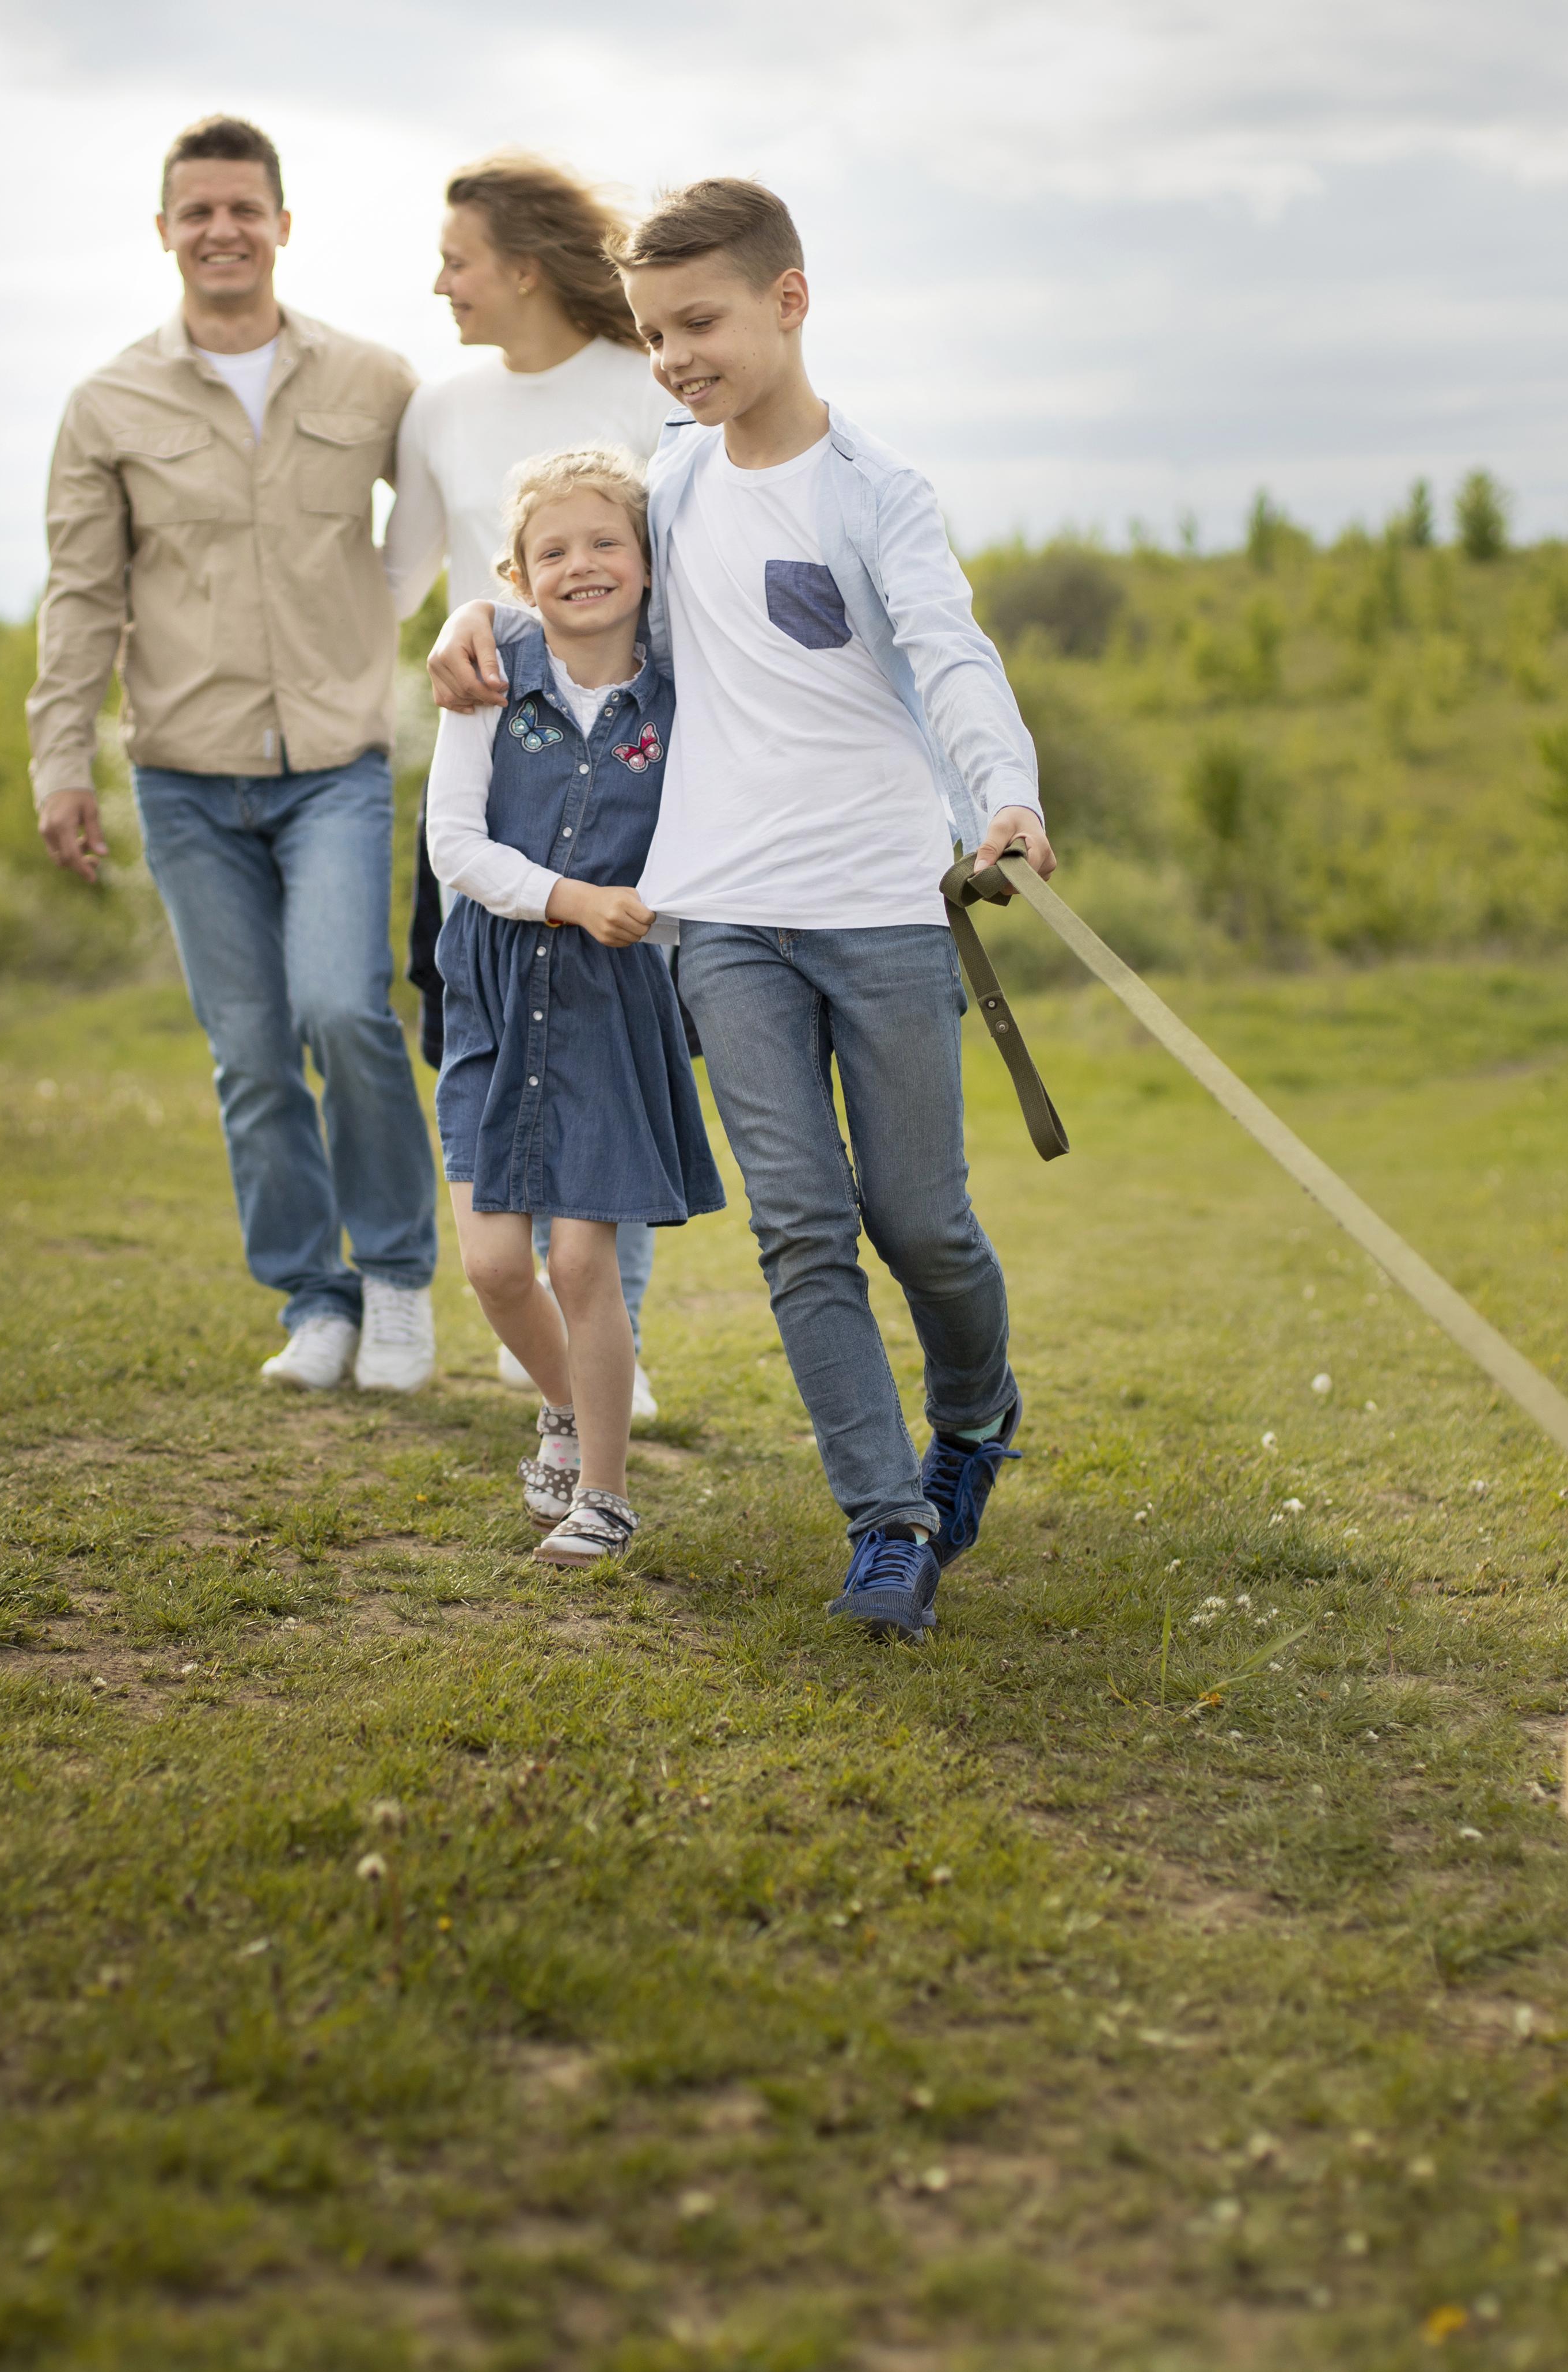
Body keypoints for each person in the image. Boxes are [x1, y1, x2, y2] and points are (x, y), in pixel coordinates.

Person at [430, 179, 1054, 1641]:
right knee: (801, 1228)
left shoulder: (877, 495)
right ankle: (887, 1521)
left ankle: (975, 1407)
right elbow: (567, 585)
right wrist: (476, 616)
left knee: (921, 1220)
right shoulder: (678, 480)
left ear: (791, 299)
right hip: (723, 921)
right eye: (654, 335)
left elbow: (951, 657)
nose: (677, 357)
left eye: (699, 323)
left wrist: (1005, 796)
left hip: (886, 905)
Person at [29, 115, 438, 1396]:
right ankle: (314, 1298)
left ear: (282, 225)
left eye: (243, 209)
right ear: (165, 231)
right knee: (252, 1050)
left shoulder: (377, 383)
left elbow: (458, 513)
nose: (221, 230)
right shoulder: (107, 404)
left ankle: (400, 1280)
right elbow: (81, 596)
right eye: (197, 211)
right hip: (186, 774)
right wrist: (61, 762)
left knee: (342, 1008)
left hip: (334, 762)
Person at [384, 154, 678, 1421]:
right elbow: (399, 580)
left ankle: (605, 1322)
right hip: (485, 756)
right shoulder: (440, 406)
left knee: (617, 1035)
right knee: (472, 1023)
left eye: (456, 257)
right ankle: (544, 1328)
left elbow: (684, 571)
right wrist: (460, 615)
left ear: (524, 263)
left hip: (621, 765)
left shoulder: (644, 386)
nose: (439, 280)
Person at [422, 447, 722, 1562]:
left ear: (647, 565)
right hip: (496, 984)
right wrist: (569, 899)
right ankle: (562, 1406)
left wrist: (647, 911)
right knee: (496, 1265)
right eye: (553, 550)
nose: (582, 565)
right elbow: (453, 844)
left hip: (608, 996)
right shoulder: (492, 672)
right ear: (518, 573)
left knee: (584, 1261)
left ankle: (604, 1491)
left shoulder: (685, 691)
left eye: (606, 543)